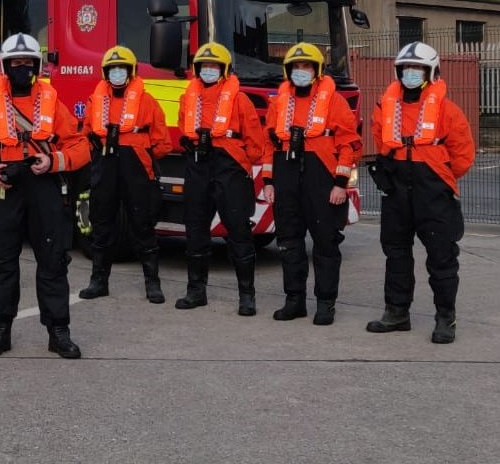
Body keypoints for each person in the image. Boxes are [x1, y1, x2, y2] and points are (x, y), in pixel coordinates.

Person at [0, 33, 91, 359]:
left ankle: (58, 332)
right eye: (16, 63)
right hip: (4, 185)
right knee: (2, 262)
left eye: (27, 63)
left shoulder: (52, 103)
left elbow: (81, 146)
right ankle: (0, 331)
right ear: (6, 67)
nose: (22, 68)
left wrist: (54, 161)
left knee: (53, 260)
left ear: (36, 66)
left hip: (42, 182)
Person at [365, 42, 474, 344]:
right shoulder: (386, 107)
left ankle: (445, 318)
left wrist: (439, 176)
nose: (411, 74)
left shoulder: (448, 110)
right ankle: (397, 312)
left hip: (433, 189)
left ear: (431, 72)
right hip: (396, 186)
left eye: (418, 69)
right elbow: (380, 137)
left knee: (442, 255)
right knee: (396, 252)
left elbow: (463, 154)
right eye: (406, 69)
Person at [261, 42, 362, 325]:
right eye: (296, 66)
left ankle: (325, 304)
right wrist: (268, 182)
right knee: (288, 242)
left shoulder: (334, 102)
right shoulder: (279, 102)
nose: (300, 70)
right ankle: (294, 301)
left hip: (322, 178)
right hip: (286, 176)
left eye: (306, 66)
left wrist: (340, 184)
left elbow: (349, 144)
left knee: (325, 243)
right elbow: (268, 143)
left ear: (317, 70)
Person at [175, 42, 264, 316]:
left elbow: (255, 142)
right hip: (198, 164)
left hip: (229, 166)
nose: (208, 70)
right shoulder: (188, 97)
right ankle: (196, 291)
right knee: (195, 228)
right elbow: (182, 126)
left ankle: (247, 296)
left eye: (214, 66)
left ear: (224, 69)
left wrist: (241, 162)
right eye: (204, 65)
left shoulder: (240, 100)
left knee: (238, 230)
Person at [79, 45, 172, 303]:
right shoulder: (95, 100)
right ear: (105, 72)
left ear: (131, 72)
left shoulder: (148, 102)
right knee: (101, 225)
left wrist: (141, 153)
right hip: (105, 167)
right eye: (113, 69)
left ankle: (153, 284)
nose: (117, 73)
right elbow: (85, 132)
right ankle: (98, 282)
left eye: (122, 69)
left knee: (143, 226)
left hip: (137, 169)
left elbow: (163, 143)